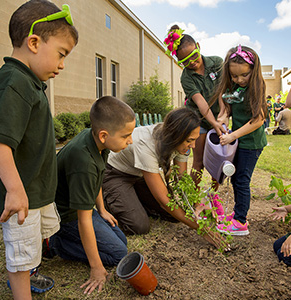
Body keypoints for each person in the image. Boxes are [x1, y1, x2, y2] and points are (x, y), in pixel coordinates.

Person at [0, 1, 78, 299]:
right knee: (20, 252)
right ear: (34, 42)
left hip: (34, 188)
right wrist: (14, 190)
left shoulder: (30, 82)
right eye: (61, 54)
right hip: (21, 192)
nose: (62, 65)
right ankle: (21, 291)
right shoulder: (13, 82)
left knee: (30, 245)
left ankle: (30, 273)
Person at [102, 107, 227, 250]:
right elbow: (164, 201)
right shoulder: (146, 143)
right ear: (176, 136)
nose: (192, 146)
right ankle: (113, 198)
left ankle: (133, 198)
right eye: (189, 140)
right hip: (117, 174)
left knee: (174, 215)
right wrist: (202, 229)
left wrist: (196, 204)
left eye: (195, 140)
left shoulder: (180, 144)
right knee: (138, 225)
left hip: (139, 175)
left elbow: (181, 180)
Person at [46, 96, 135, 295]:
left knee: (122, 240)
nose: (131, 141)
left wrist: (102, 210)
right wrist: (96, 268)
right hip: (66, 216)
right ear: (104, 135)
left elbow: (98, 179)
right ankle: (55, 243)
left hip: (81, 207)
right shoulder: (83, 161)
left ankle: (63, 241)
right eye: (126, 135)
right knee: (118, 254)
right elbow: (83, 219)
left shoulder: (97, 141)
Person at [164, 25, 226, 205]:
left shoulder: (217, 62)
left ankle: (212, 197)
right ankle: (191, 199)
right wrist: (213, 123)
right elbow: (201, 103)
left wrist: (222, 117)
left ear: (198, 46)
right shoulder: (186, 77)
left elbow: (222, 92)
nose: (191, 62)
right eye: (185, 61)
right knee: (198, 162)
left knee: (219, 159)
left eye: (193, 56)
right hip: (198, 119)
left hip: (219, 116)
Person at [212, 45, 267, 236]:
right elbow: (226, 107)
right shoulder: (234, 88)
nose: (239, 79)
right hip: (240, 142)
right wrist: (223, 118)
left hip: (251, 143)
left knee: (242, 180)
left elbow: (258, 120)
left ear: (253, 70)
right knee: (235, 178)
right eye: (234, 76)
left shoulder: (256, 87)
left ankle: (241, 222)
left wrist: (233, 135)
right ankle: (237, 214)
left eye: (244, 75)